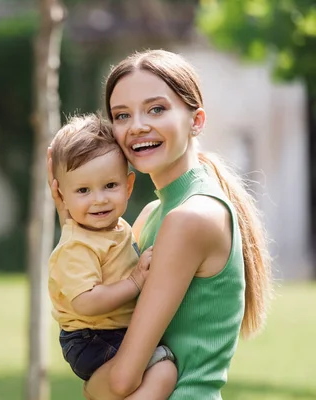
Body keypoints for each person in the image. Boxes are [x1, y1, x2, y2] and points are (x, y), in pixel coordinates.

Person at [47, 50, 272, 400]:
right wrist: (72, 224)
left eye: (156, 109)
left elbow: (121, 381)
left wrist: (91, 386)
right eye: (122, 115)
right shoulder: (153, 214)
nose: (137, 126)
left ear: (196, 121)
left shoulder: (189, 219)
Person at [48, 113, 176, 399]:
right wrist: (135, 281)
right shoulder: (76, 247)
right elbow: (85, 301)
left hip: (109, 330)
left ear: (128, 186)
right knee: (163, 368)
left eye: (110, 186)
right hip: (91, 337)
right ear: (62, 195)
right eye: (83, 190)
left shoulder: (114, 227)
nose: (99, 199)